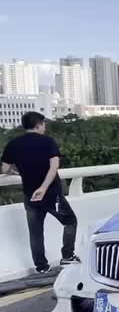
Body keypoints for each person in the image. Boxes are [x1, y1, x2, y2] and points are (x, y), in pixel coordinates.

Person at [1, 112, 79, 273]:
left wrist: (19, 171)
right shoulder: (47, 142)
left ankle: (42, 267)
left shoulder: (14, 144)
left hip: (30, 194)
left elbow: (5, 168)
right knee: (70, 221)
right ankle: (67, 257)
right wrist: (43, 188)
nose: (44, 127)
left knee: (35, 232)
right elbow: (54, 166)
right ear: (38, 124)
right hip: (50, 194)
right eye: (44, 124)